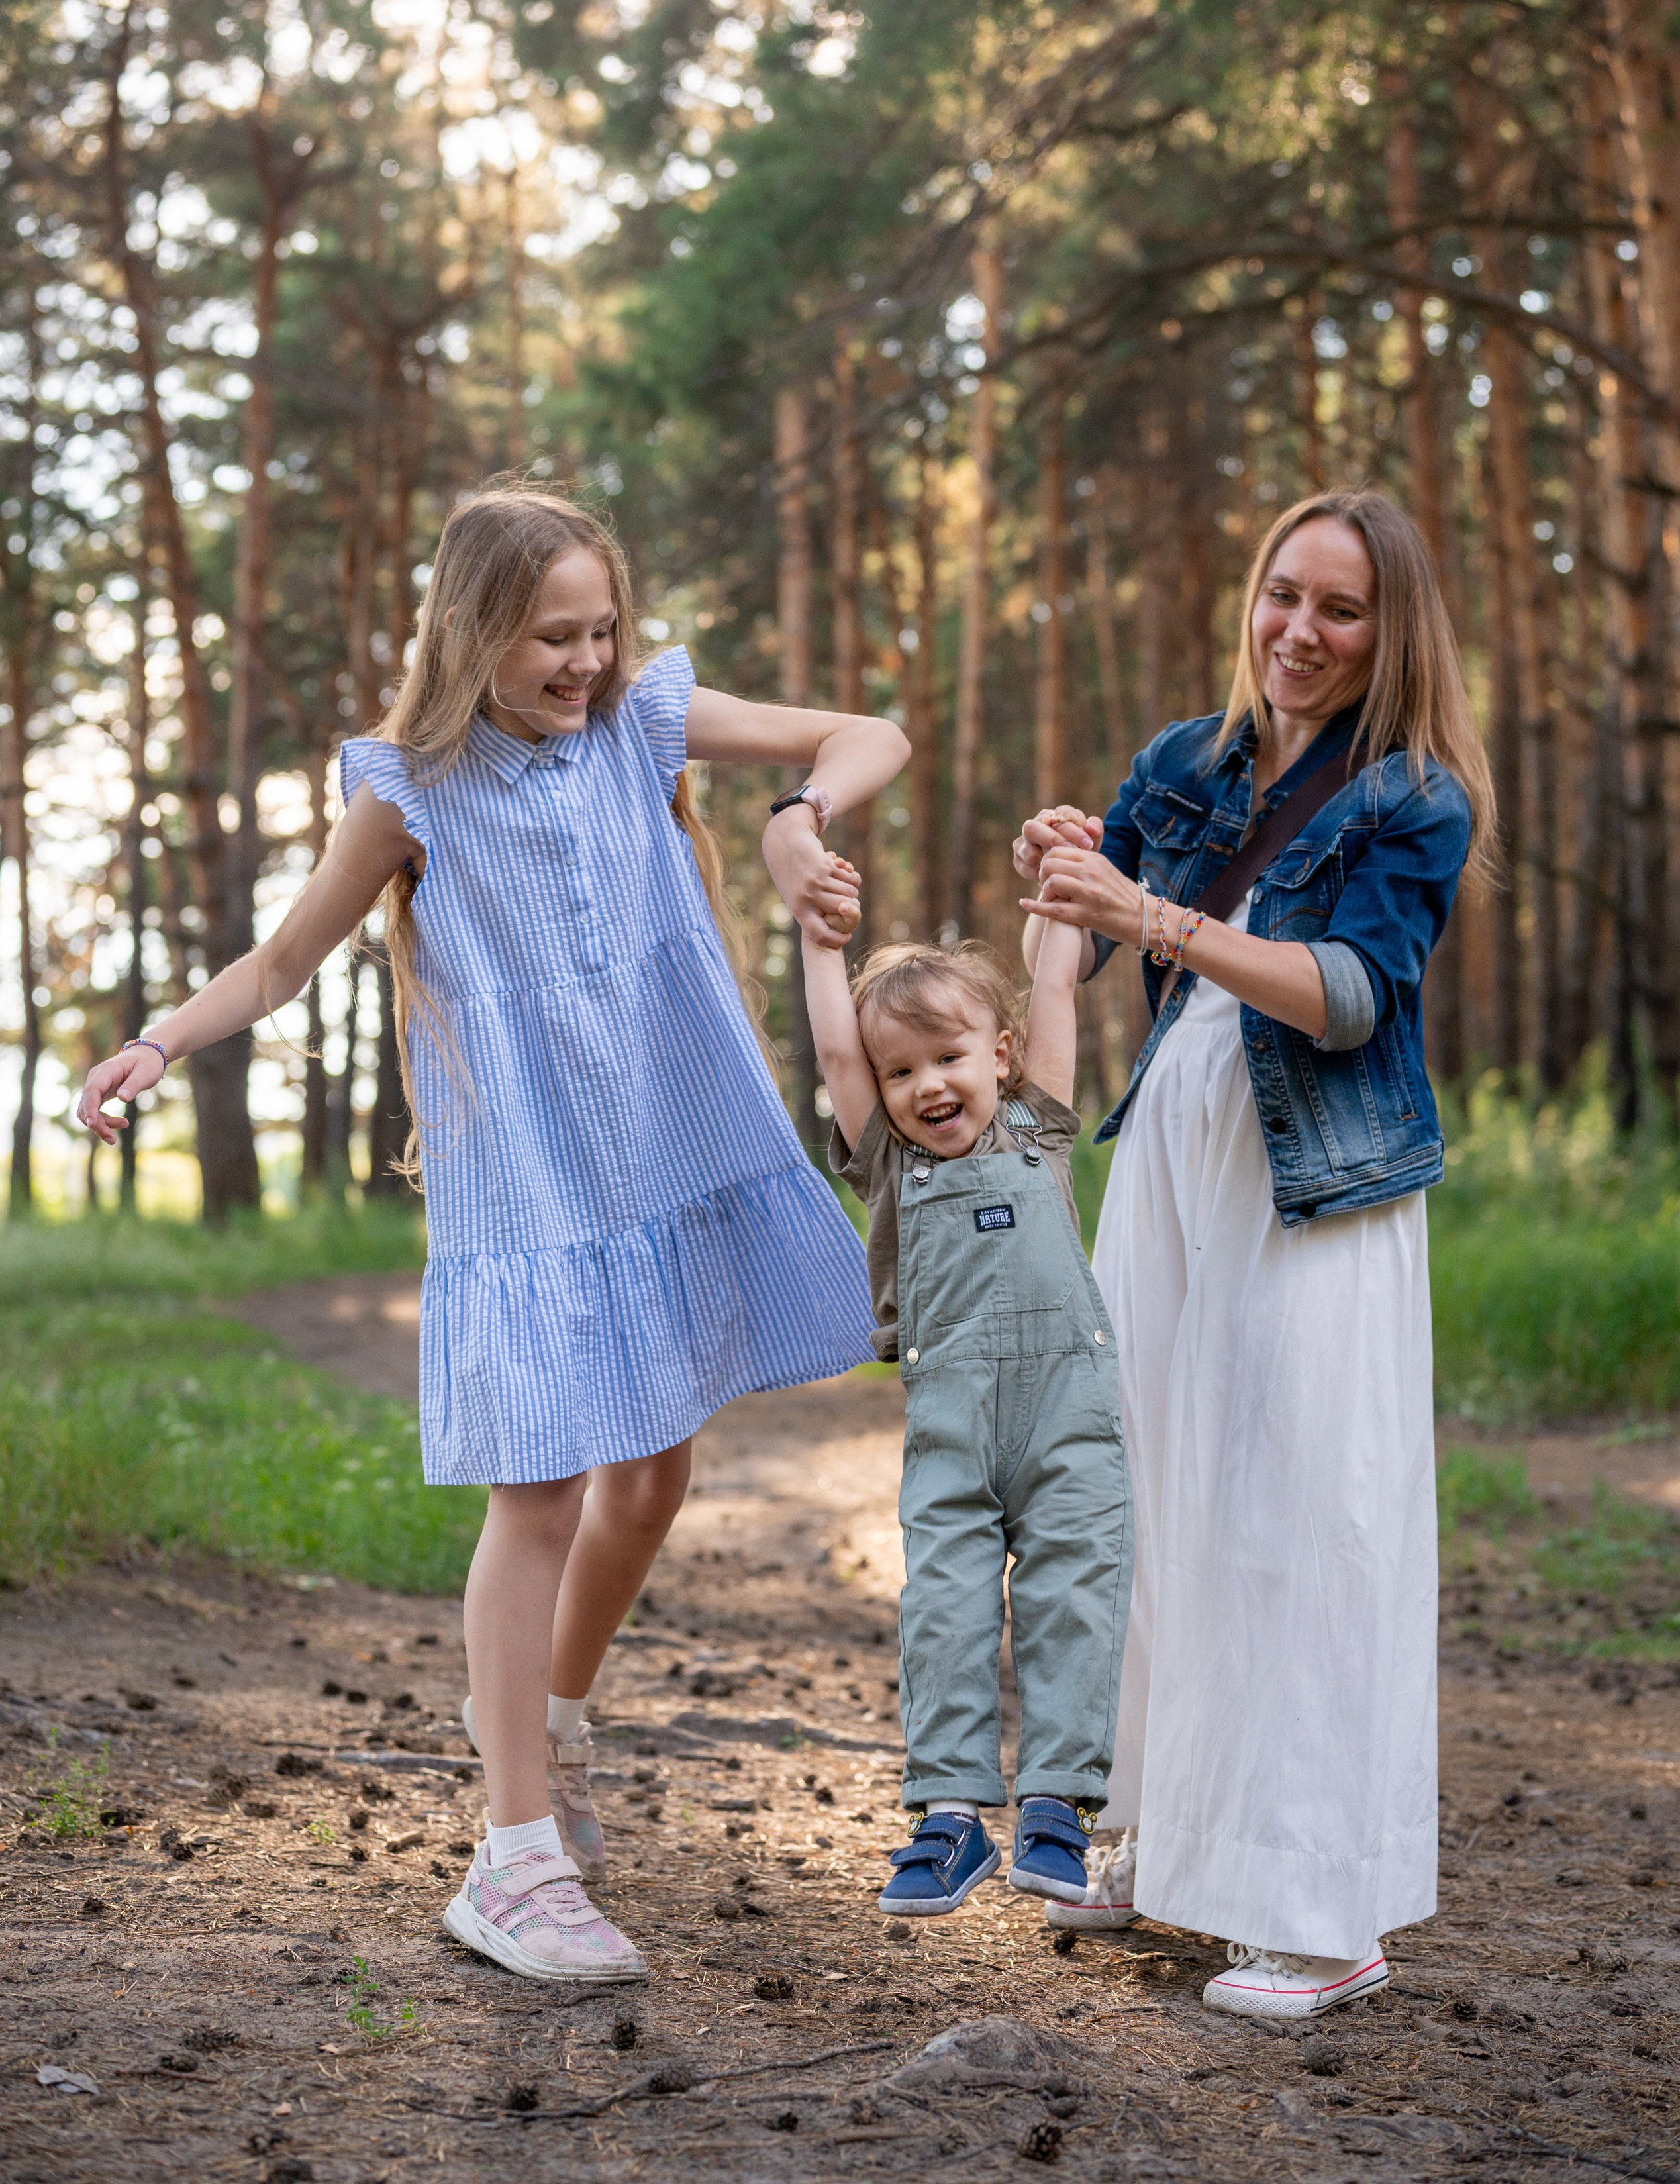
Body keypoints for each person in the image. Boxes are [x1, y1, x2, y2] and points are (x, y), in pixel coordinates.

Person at [79, 483, 909, 1987]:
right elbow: (279, 958)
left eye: (600, 629)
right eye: (551, 636)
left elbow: (866, 735)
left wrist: (797, 824)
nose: (584, 661)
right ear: (473, 630)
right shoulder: (412, 790)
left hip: (667, 1140)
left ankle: (555, 1727)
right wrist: (158, 1042)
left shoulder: (643, 726)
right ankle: (513, 1857)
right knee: (537, 1495)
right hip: (531, 1179)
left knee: (654, 1471)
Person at [1013, 489, 1494, 2022]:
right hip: (1168, 1161)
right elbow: (1079, 948)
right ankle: (1161, 1846)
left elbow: (1347, 997)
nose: (1297, 631)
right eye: (1281, 594)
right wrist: (1059, 874)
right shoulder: (1183, 760)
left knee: (1297, 1518)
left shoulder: (1413, 796)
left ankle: (1319, 1911)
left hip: (1317, 1191)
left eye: (1338, 610)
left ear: (1387, 629)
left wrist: (1149, 910)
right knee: (1147, 1493)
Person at [798, 903, 1133, 1920]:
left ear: (1000, 1053)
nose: (924, 1087)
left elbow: (1058, 987)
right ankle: (948, 1814)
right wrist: (819, 942)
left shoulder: (1040, 1121)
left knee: (1075, 1591)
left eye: (945, 1058)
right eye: (898, 1074)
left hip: (1067, 1410)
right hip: (951, 1418)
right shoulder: (892, 1166)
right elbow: (830, 1048)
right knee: (944, 1604)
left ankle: (1058, 1808)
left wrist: (1065, 898)